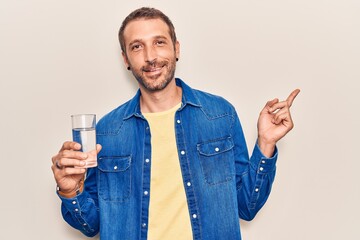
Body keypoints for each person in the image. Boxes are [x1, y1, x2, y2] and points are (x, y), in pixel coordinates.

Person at [51, 7, 300, 240]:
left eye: (159, 42)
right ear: (126, 59)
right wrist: (71, 191)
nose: (150, 57)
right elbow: (92, 225)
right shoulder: (107, 132)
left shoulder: (220, 114)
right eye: (137, 47)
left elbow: (247, 206)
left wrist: (266, 143)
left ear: (176, 49)